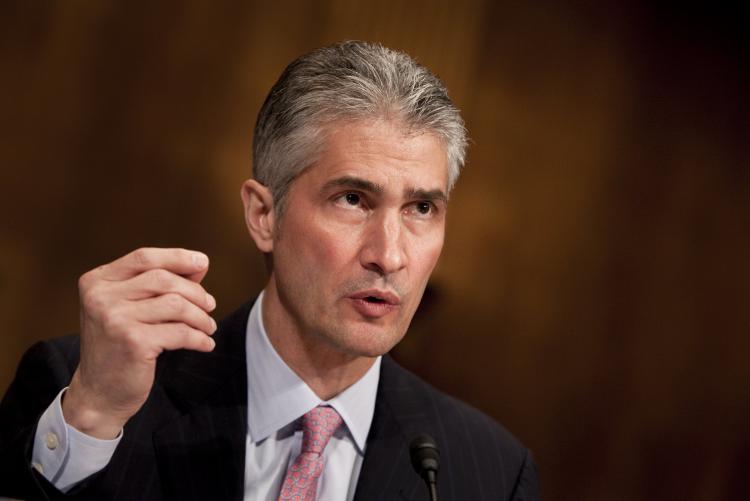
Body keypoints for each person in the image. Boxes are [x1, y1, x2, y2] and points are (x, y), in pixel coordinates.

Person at [0, 41, 538, 500]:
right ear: (264, 215)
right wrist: (92, 419)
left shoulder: (489, 471)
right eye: (352, 199)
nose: (390, 255)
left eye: (421, 208)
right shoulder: (81, 389)